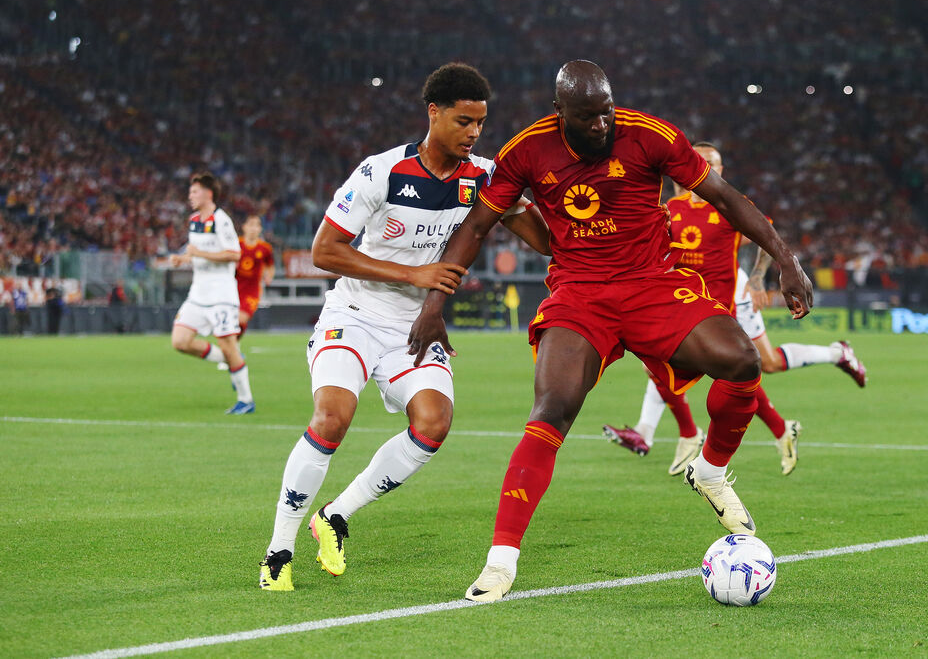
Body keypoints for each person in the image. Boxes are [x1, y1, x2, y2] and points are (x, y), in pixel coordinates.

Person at [408, 60, 813, 602]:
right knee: (552, 407)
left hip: (653, 284)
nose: (602, 125)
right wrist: (436, 303)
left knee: (741, 360)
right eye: (588, 117)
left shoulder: (650, 134)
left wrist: (786, 259)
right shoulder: (526, 151)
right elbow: (477, 226)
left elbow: (726, 197)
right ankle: (500, 563)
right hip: (580, 293)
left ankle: (711, 470)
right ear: (561, 114)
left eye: (606, 112)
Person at [258, 63, 550, 592]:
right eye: (464, 121)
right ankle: (278, 550)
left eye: (481, 124)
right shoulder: (382, 171)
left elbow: (544, 240)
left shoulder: (483, 176)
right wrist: (412, 273)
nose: (474, 133)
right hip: (353, 315)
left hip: (413, 328)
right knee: (332, 418)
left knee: (434, 423)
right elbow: (325, 251)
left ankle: (337, 514)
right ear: (433, 112)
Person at [603, 143, 866, 475]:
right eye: (701, 161)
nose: (708, 167)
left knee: (748, 367)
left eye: (714, 163)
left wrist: (757, 279)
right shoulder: (674, 207)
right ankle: (667, 432)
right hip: (690, 302)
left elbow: (764, 236)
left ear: (722, 169)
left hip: (730, 300)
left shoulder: (727, 204)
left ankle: (675, 433)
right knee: (692, 368)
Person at [168, 171, 255, 415]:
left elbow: (234, 254)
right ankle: (229, 359)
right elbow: (196, 251)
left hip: (221, 296)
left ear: (208, 193)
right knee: (180, 341)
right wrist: (183, 258)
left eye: (194, 192)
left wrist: (197, 254)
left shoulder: (221, 220)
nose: (190, 196)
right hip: (198, 294)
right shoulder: (194, 219)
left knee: (228, 345)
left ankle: (246, 400)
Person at [236, 214, 275, 338]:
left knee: (241, 318)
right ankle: (233, 348)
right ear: (244, 227)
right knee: (232, 323)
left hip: (253, 291)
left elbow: (270, 266)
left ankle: (233, 348)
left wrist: (269, 276)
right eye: (251, 224)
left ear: (260, 229)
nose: (254, 228)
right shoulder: (236, 244)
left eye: (257, 225)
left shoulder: (265, 248)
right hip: (233, 289)